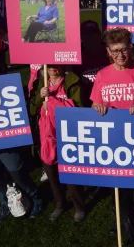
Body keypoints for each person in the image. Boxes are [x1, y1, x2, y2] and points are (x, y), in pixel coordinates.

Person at [90, 28, 134, 243]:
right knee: (118, 183)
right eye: (115, 51)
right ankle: (121, 217)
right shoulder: (102, 75)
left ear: (131, 49)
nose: (120, 55)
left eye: (124, 50)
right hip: (113, 138)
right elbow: (95, 102)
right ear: (108, 52)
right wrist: (98, 107)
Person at [0, 49, 42, 223]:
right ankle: (5, 203)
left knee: (17, 173)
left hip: (7, 141)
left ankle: (35, 197)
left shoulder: (8, 84)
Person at [29, 65, 86, 222]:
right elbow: (32, 109)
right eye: (49, 65)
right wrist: (41, 97)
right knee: (51, 174)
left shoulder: (72, 82)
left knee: (70, 172)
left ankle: (79, 206)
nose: (53, 68)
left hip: (68, 135)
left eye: (55, 64)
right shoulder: (40, 83)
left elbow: (79, 109)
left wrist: (54, 103)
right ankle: (60, 203)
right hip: (47, 137)